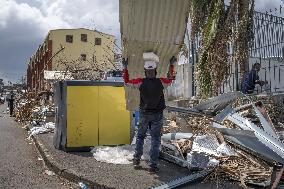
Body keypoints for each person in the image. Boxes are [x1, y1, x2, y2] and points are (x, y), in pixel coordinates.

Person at [122, 52, 176, 174]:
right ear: (156, 70)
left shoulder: (140, 82)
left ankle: (136, 160)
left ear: (145, 71)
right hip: (157, 115)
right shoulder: (161, 82)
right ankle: (152, 166)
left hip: (144, 113)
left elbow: (127, 81)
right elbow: (170, 78)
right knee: (155, 139)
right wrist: (171, 64)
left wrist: (125, 67)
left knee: (140, 136)